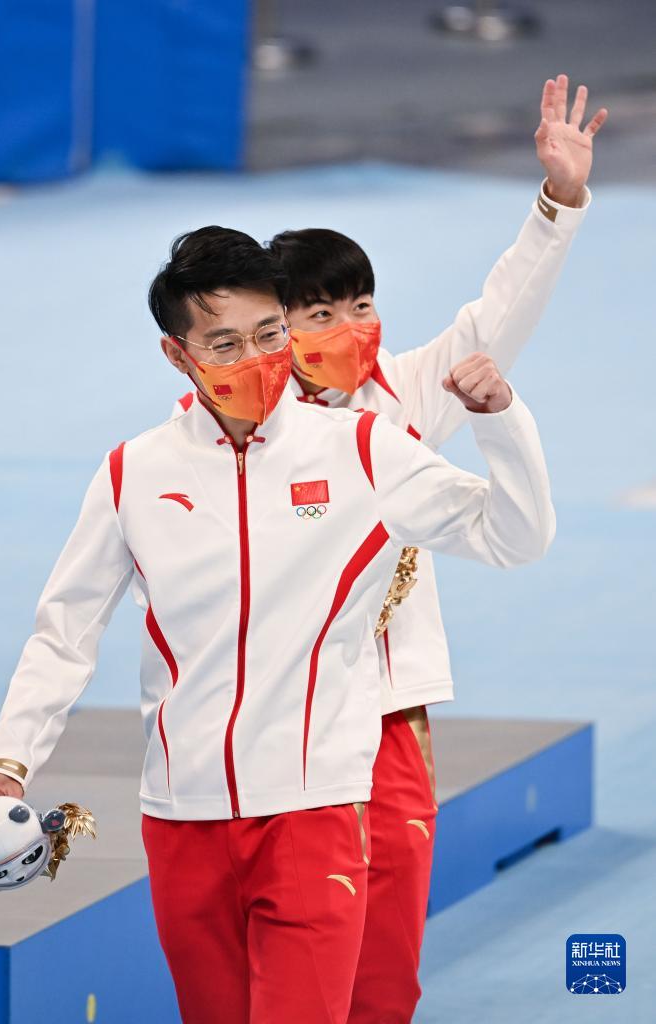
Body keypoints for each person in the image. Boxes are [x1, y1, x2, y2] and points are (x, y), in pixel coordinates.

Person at [0, 226, 554, 1024]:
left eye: (271, 333)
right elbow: (64, 632)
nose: (258, 358)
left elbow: (516, 538)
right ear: (178, 355)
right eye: (226, 343)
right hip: (181, 820)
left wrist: (501, 423)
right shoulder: (134, 473)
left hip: (314, 812)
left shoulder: (363, 449)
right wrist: (8, 757)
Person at [247, 74, 604, 1023]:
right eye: (321, 314)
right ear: (278, 330)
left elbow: (499, 315)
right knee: (291, 958)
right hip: (279, 719)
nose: (351, 329)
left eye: (362, 305)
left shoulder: (400, 397)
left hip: (390, 716)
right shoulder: (242, 432)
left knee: (387, 965)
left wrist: (559, 198)